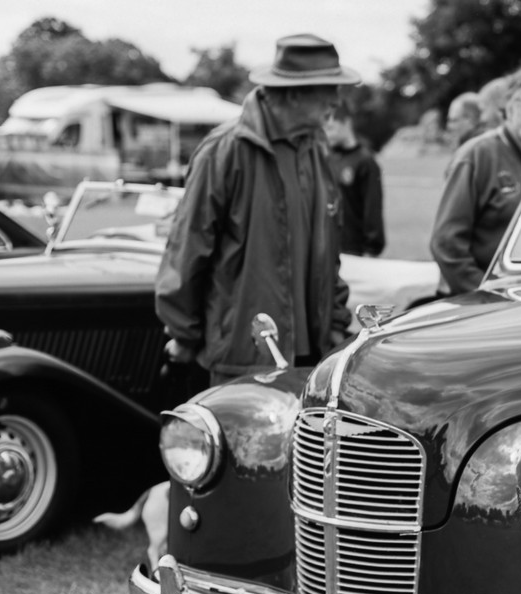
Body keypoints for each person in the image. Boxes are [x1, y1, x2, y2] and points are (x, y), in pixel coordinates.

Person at [155, 33, 357, 386]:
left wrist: (336, 323)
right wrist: (184, 334)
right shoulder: (224, 150)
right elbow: (188, 249)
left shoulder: (315, 149)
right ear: (294, 93)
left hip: (315, 357)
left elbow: (328, 249)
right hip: (244, 358)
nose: (336, 101)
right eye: (329, 89)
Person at [430, 64, 521, 295]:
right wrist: (485, 293)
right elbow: (447, 244)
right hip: (477, 303)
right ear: (510, 106)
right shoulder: (476, 155)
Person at [324, 101, 386, 256]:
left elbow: (373, 210)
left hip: (354, 251)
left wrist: (371, 249)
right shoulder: (328, 159)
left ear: (346, 123)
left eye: (331, 128)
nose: (327, 134)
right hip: (329, 248)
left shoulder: (366, 162)